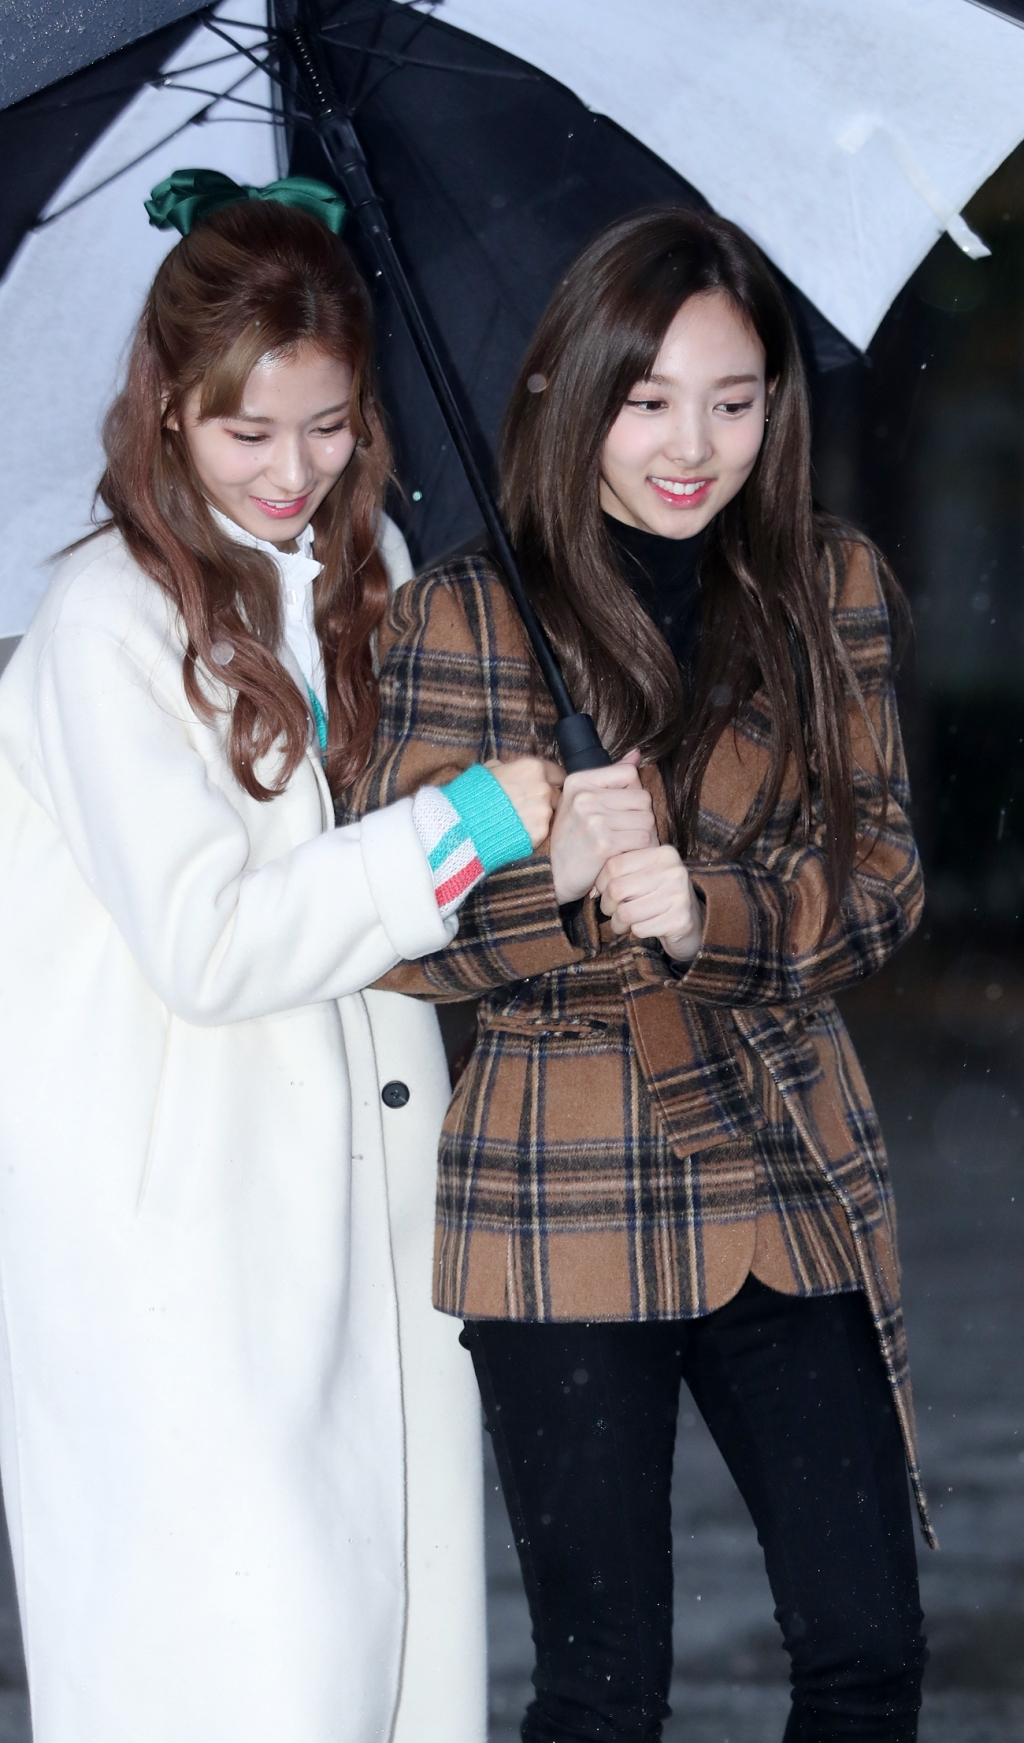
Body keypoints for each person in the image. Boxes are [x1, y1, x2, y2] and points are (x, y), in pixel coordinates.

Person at [345, 208, 931, 1743]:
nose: (694, 446)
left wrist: (713, 913)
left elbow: (884, 882)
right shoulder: (463, 611)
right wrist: (555, 881)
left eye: (735, 402)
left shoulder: (826, 586)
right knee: (605, 1688)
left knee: (867, 1649)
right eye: (649, 400)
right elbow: (390, 932)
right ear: (570, 390)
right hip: (560, 1177)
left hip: (781, 1161)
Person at [0, 170, 564, 1743]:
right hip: (182, 1244)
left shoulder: (362, 574)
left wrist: (538, 810)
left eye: (327, 425)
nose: (292, 471)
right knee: (254, 1672)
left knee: (390, 1668)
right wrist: (462, 824)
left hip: (372, 1216)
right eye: (247, 432)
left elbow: (417, 885)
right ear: (168, 408)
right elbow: (210, 943)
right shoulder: (103, 625)